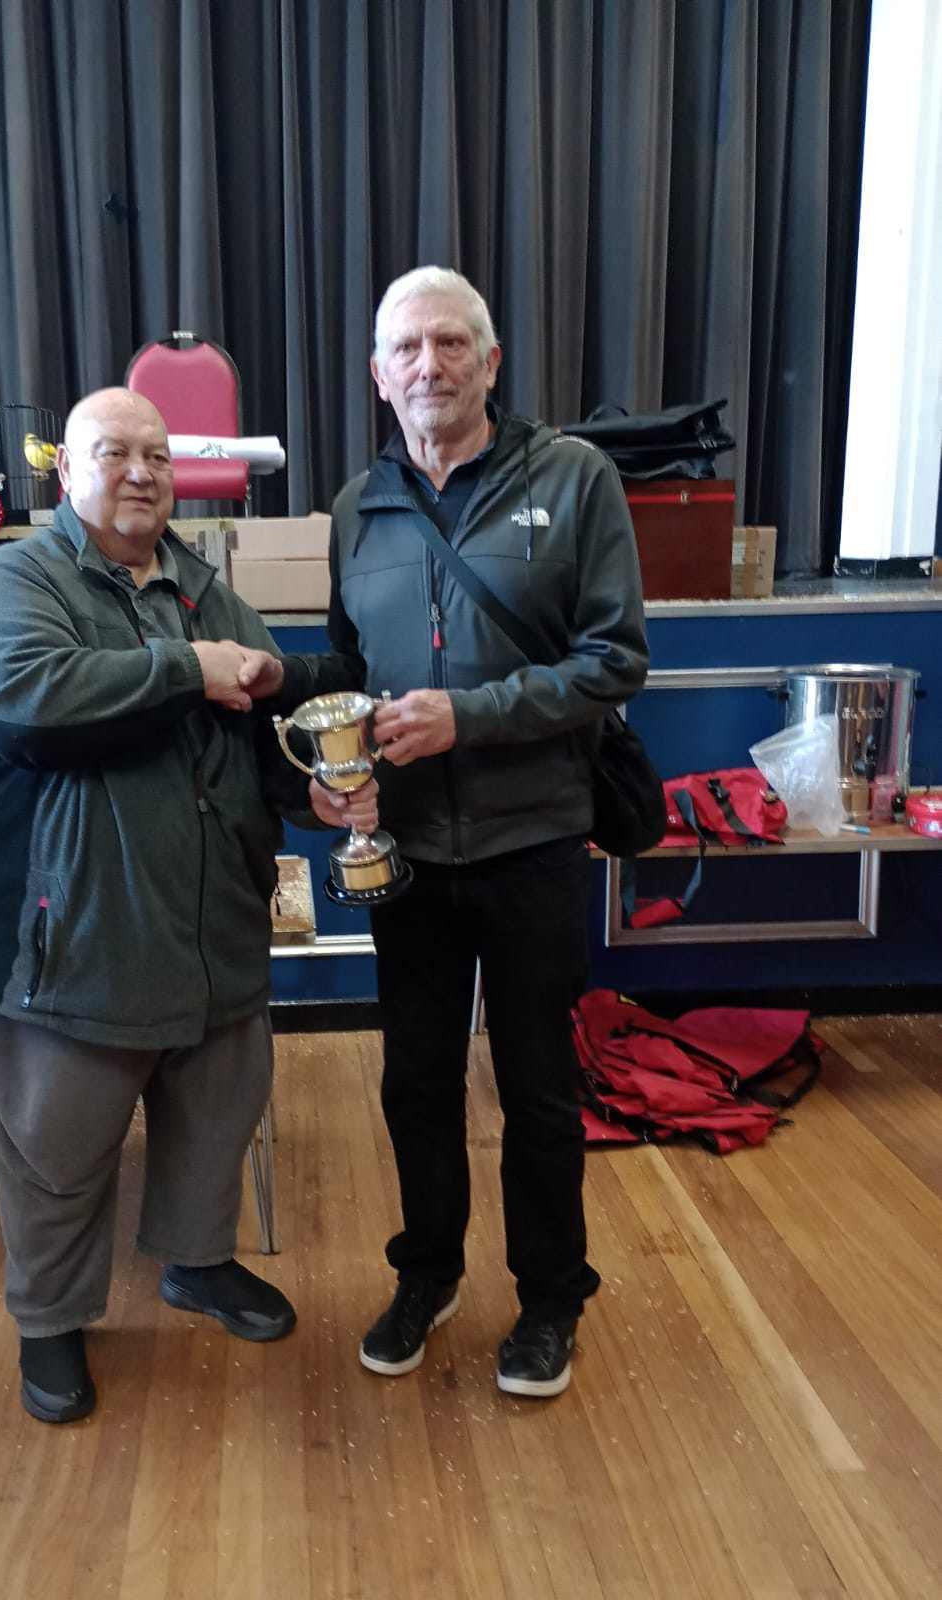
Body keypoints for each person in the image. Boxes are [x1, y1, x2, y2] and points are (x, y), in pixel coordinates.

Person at [0, 387, 377, 1424]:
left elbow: (259, 731)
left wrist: (310, 796)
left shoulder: (204, 588)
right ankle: (50, 1318)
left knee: (214, 1118)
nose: (140, 472)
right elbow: (31, 703)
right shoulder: (15, 580)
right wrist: (189, 667)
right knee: (55, 1146)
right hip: (69, 940)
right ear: (65, 471)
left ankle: (197, 1261)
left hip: (213, 927)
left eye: (157, 455)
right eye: (113, 453)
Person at [316, 267, 648, 1397]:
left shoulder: (575, 478)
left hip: (533, 841)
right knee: (414, 1082)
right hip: (405, 853)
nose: (430, 365)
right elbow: (350, 669)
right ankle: (427, 1273)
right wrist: (338, 770)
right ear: (378, 374)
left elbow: (614, 661)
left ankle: (550, 1298)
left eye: (451, 342)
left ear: (491, 362)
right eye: (406, 348)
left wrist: (471, 716)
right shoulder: (357, 508)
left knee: (540, 1087)